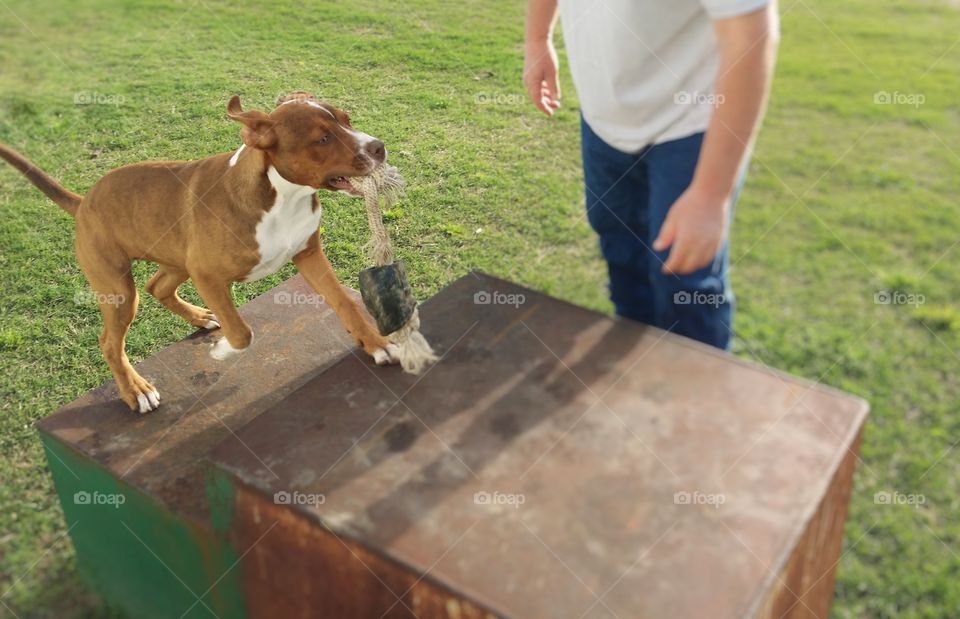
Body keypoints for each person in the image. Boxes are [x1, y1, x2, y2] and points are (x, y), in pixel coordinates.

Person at [523, 0, 779, 349]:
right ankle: (635, 378)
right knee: (622, 256)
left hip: (692, 124)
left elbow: (751, 35)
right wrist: (538, 39)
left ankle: (694, 395)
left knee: (684, 282)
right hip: (602, 119)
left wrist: (710, 195)